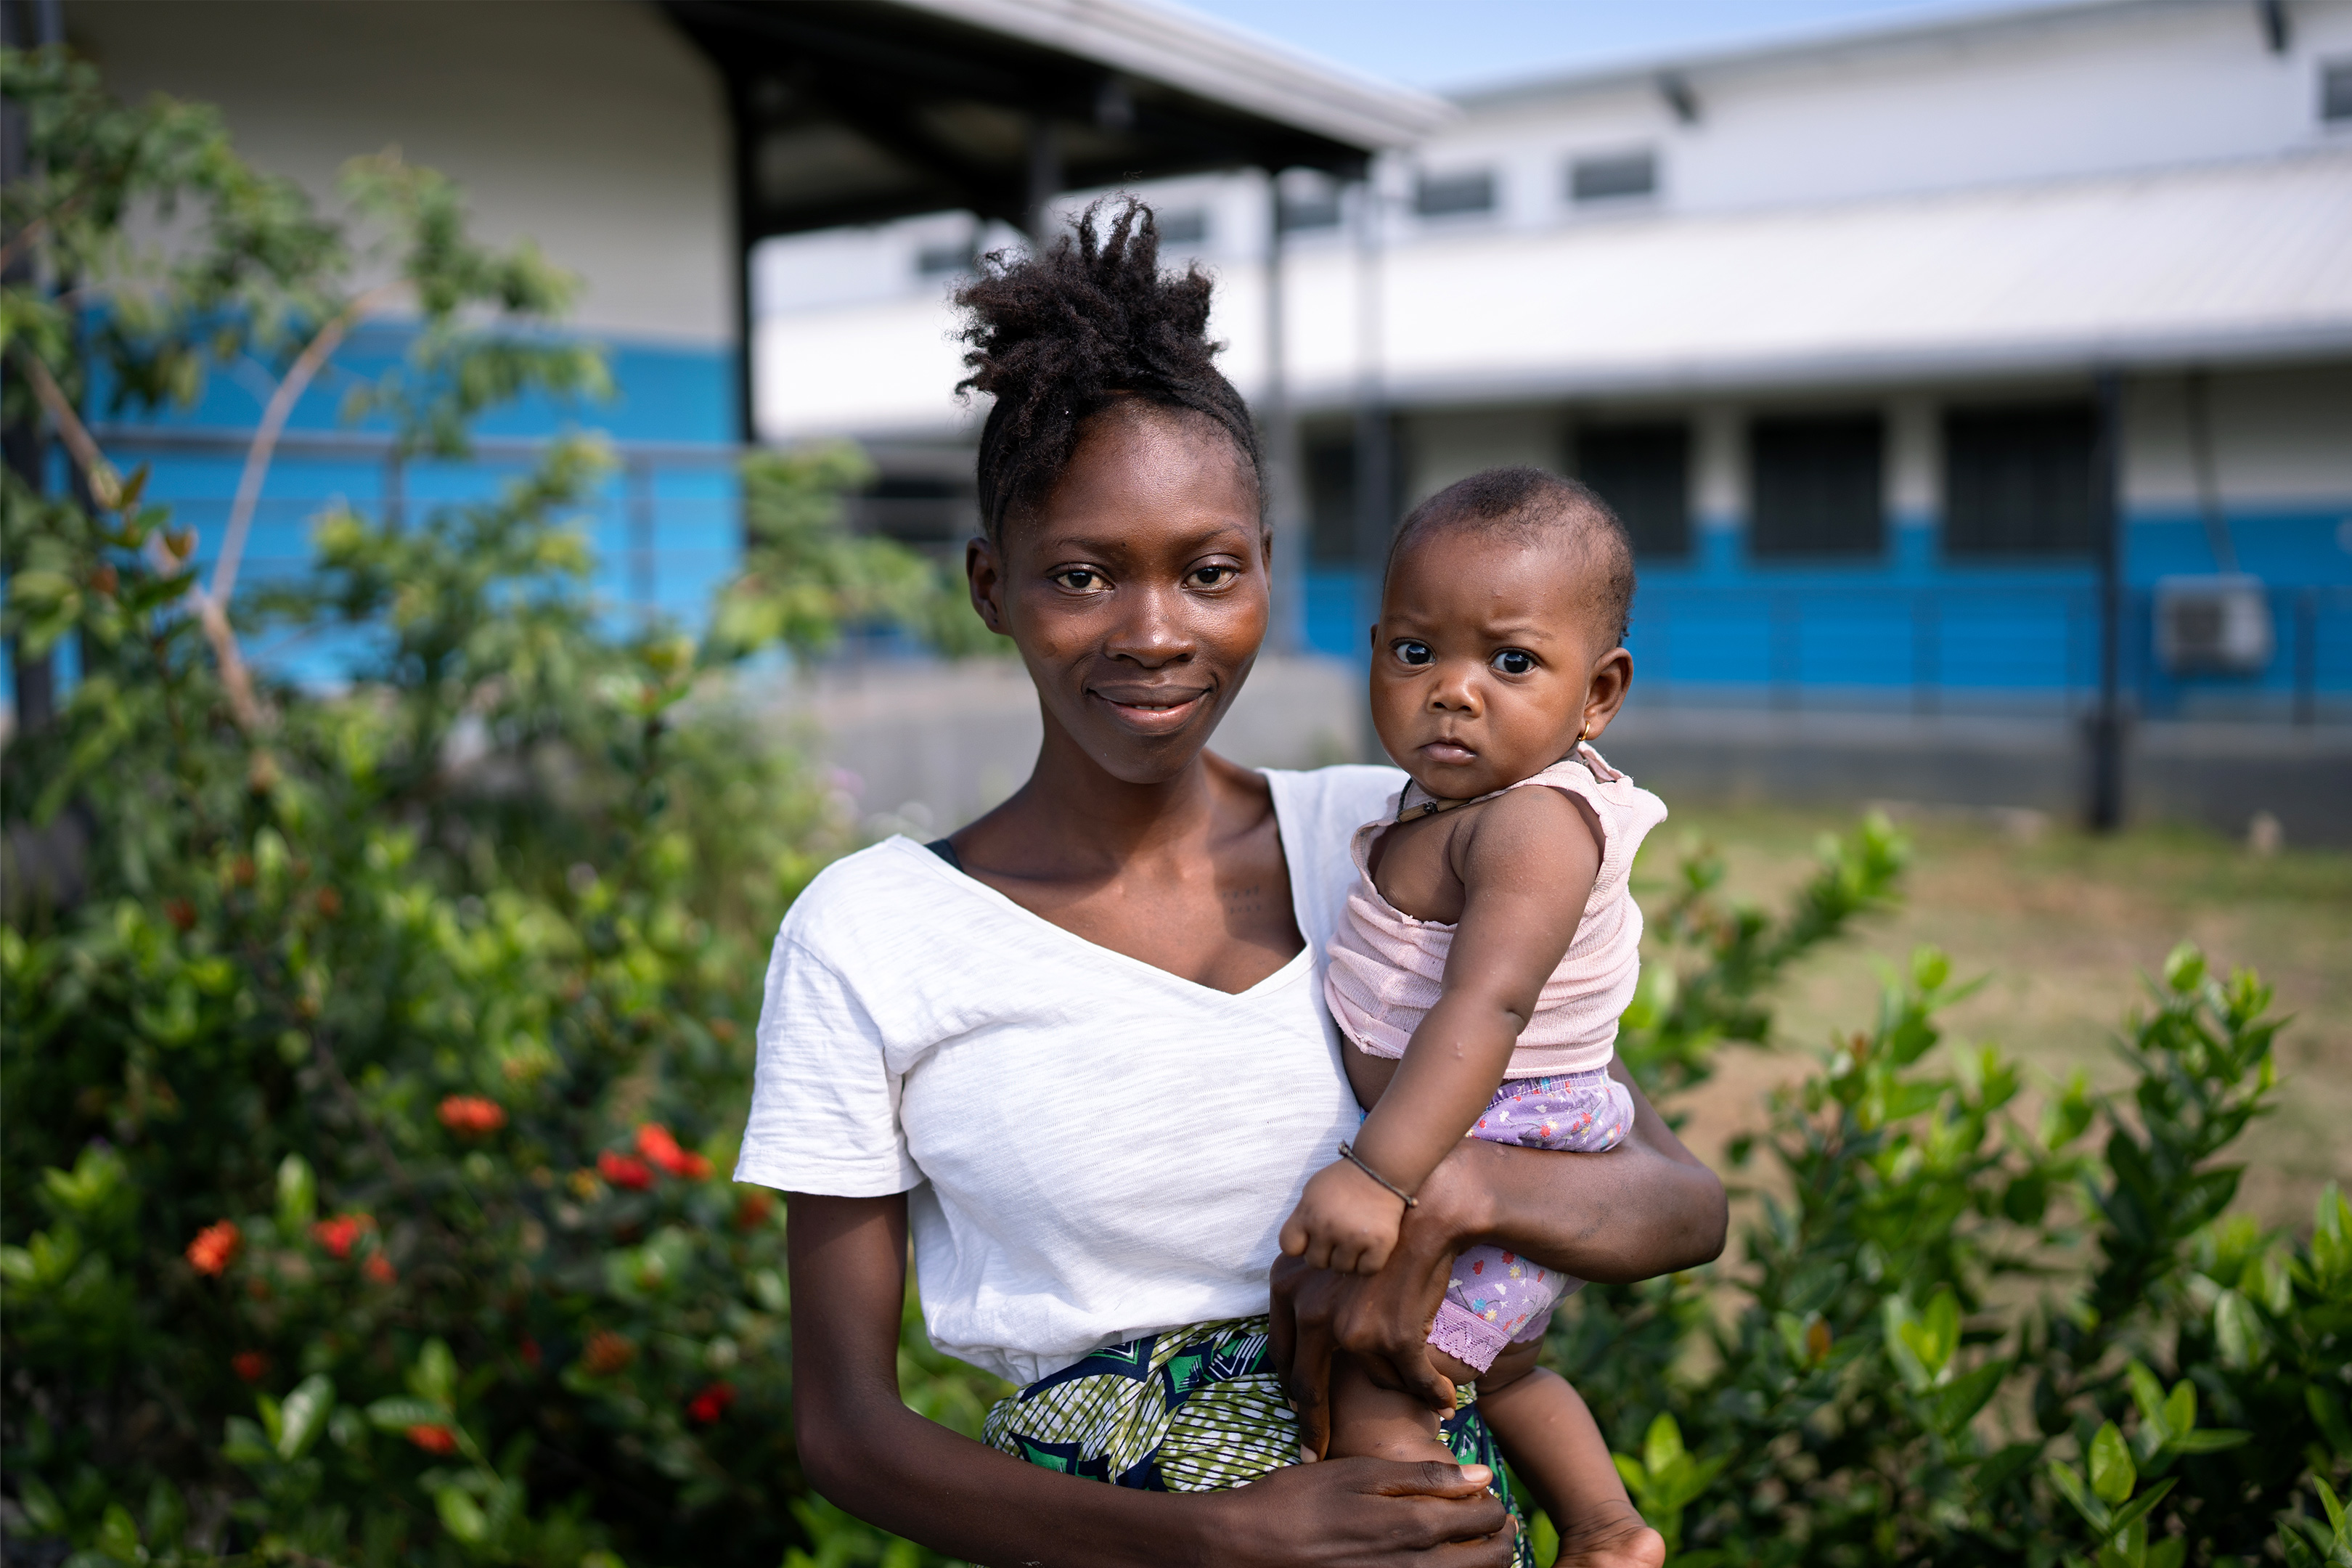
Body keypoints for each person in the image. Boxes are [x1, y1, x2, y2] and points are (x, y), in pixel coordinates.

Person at [735, 198, 1726, 1568]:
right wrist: (1214, 1544)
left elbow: (1679, 1202)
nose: (1155, 633)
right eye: (1081, 575)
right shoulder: (872, 933)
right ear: (989, 586)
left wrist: (1453, 1195)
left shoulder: (1400, 847)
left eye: (1210, 573)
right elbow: (846, 1429)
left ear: (1266, 571)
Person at [1279, 466, 1665, 1560]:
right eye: (1415, 652)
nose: (1453, 690)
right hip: (1472, 1126)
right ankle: (1606, 1526)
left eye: (1510, 662)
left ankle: (1435, 1540)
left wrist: (1379, 1174)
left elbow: (1487, 1005)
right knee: (1508, 1371)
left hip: (1495, 1130)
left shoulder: (1535, 825)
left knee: (1385, 1374)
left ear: (1598, 695)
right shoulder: (1445, 801)